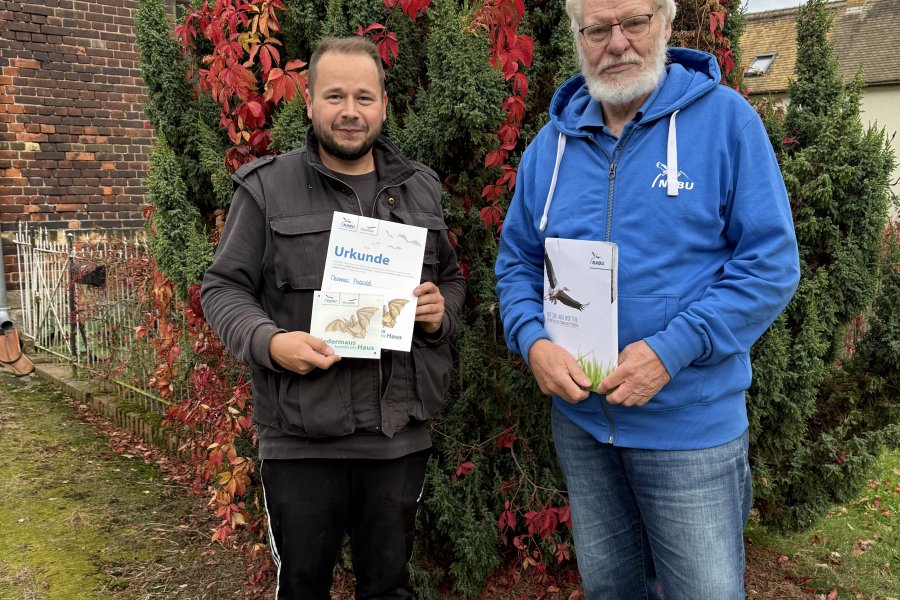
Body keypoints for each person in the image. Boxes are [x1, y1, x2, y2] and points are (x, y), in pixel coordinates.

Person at [494, 0, 800, 597]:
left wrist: (673, 349)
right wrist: (531, 342)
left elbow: (770, 264)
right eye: (598, 28)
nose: (617, 43)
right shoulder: (549, 147)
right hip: (584, 430)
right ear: (577, 35)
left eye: (634, 22)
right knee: (611, 591)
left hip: (692, 433)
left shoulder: (726, 123)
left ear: (664, 22)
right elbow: (517, 263)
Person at [201, 36, 465, 600]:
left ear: (384, 105)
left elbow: (451, 280)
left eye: (364, 97)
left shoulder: (420, 187)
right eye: (335, 96)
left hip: (397, 438)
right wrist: (272, 344)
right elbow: (222, 289)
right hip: (301, 438)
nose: (351, 111)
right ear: (310, 103)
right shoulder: (267, 188)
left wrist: (441, 313)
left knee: (389, 588)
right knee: (302, 587)